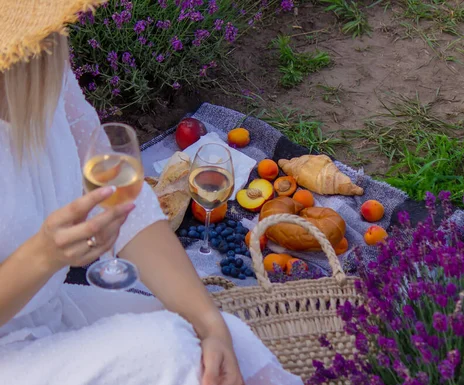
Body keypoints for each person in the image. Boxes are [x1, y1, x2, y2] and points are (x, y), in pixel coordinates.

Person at [0, 1, 304, 385]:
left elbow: (122, 200)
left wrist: (209, 324)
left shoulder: (38, 63)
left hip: (48, 312)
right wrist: (42, 256)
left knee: (221, 338)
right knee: (166, 348)